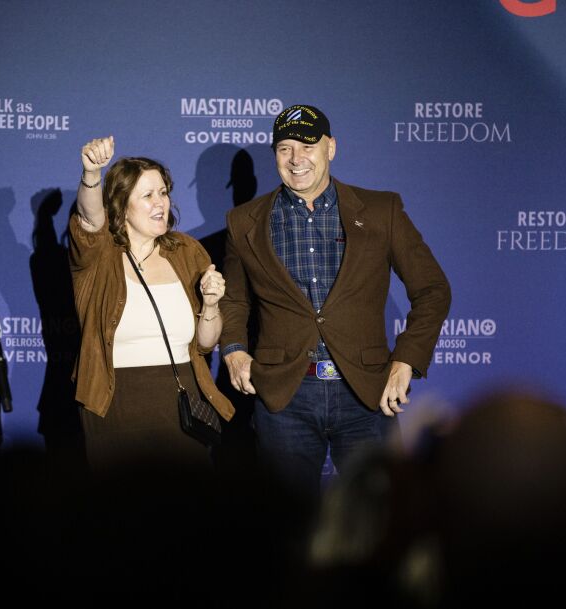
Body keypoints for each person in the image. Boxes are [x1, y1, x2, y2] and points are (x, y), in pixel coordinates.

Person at [219, 104, 450, 498]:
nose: (296, 159)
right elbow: (235, 300)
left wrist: (406, 359)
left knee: (381, 519)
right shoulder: (244, 221)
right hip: (283, 397)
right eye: (285, 148)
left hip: (365, 393)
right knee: (285, 525)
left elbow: (432, 290)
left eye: (308, 146)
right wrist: (235, 349)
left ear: (331, 148)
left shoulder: (381, 211)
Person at [69, 135, 234, 472]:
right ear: (120, 204)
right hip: (113, 403)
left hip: (179, 401)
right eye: (147, 195)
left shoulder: (187, 251)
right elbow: (89, 220)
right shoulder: (99, 254)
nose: (161, 202)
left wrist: (212, 304)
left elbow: (205, 343)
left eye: (164, 192)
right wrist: (91, 174)